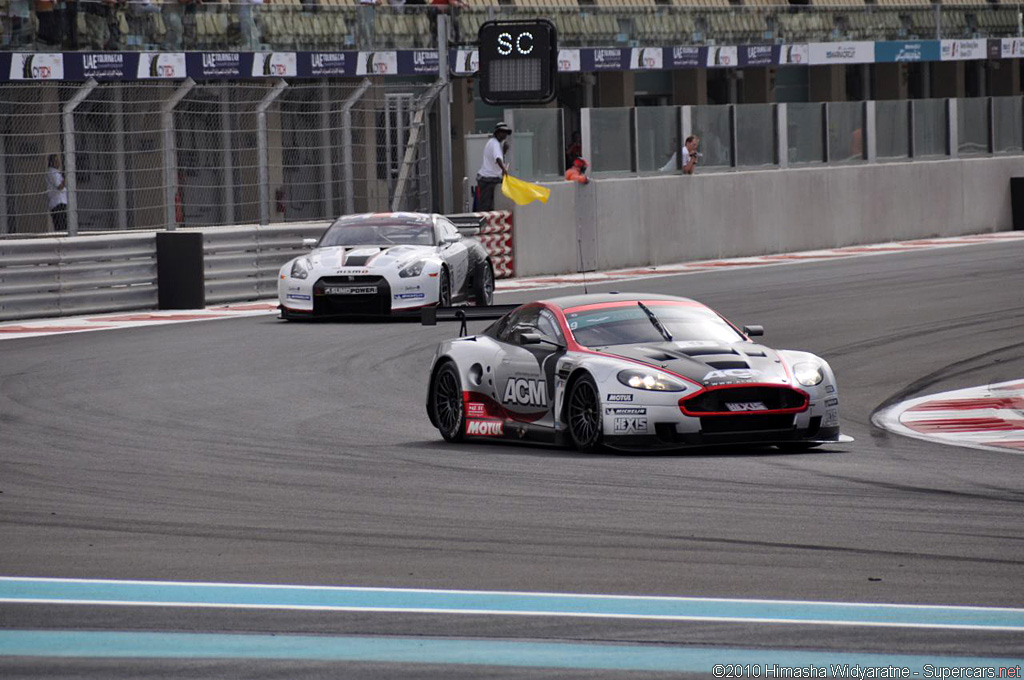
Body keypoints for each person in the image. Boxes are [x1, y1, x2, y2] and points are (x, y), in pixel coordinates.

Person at [476, 121, 510, 212]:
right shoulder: (495, 144)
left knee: (488, 203)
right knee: (486, 205)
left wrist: (504, 151)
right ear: (498, 133)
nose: (505, 135)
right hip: (489, 178)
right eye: (504, 133)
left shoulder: (494, 143)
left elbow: (497, 158)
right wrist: (504, 169)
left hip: (488, 178)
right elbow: (498, 158)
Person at [45, 154, 67, 232]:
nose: (58, 163)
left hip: (62, 202)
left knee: (64, 225)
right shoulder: (53, 172)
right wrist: (67, 178)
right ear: (52, 162)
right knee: (61, 226)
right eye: (56, 161)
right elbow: (59, 186)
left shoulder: (57, 172)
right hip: (58, 203)